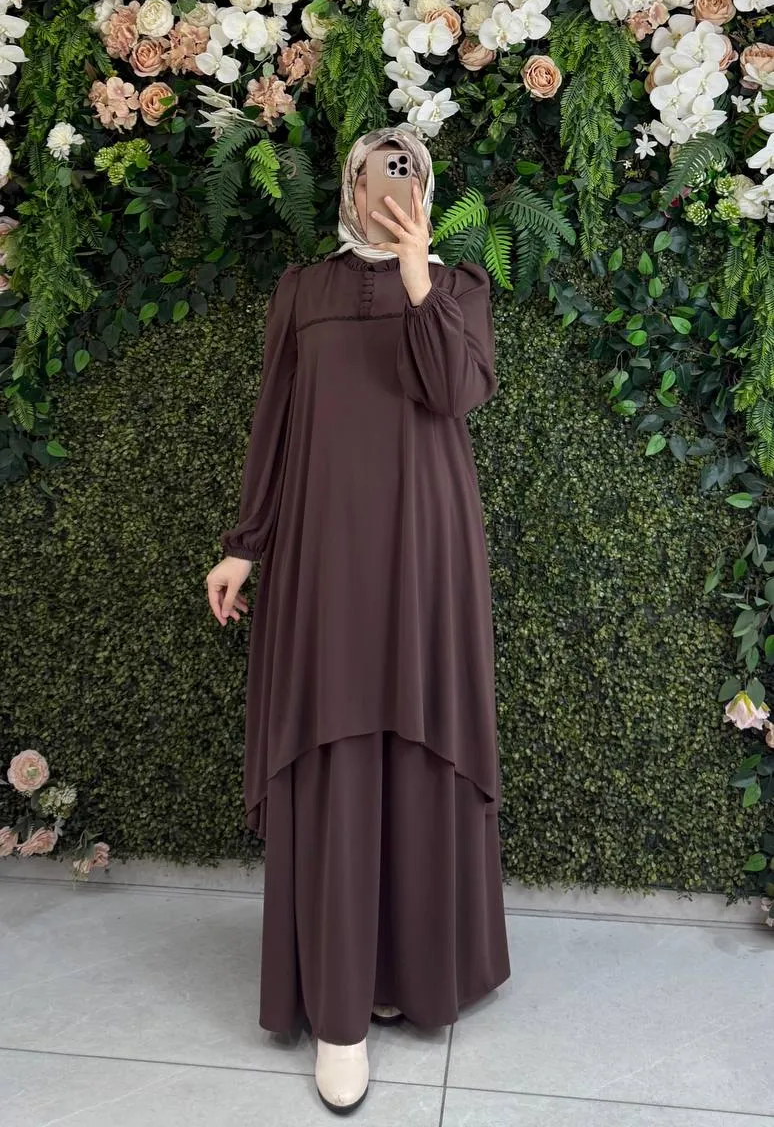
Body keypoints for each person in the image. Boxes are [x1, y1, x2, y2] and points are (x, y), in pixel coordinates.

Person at [205, 125, 510, 1115]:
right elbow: (275, 422)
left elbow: (456, 391)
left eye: (407, 170)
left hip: (427, 553)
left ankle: (407, 973)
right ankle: (339, 1010)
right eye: (378, 170)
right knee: (336, 749)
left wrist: (419, 276)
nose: (391, 185)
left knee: (417, 748)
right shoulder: (302, 289)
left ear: (427, 187)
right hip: (325, 553)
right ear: (350, 184)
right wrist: (245, 542)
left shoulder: (459, 287)